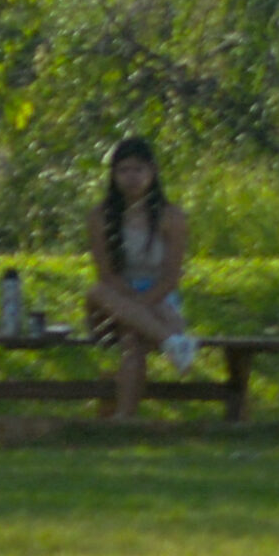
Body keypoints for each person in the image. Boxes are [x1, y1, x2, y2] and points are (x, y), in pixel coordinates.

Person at [85, 134, 198, 419]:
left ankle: (124, 419)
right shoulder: (99, 216)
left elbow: (171, 278)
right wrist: (134, 306)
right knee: (96, 291)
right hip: (113, 304)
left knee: (132, 340)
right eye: (123, 170)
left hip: (159, 299)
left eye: (138, 169)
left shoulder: (172, 217)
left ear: (153, 172)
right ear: (113, 175)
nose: (131, 177)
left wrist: (141, 309)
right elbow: (106, 276)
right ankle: (173, 343)